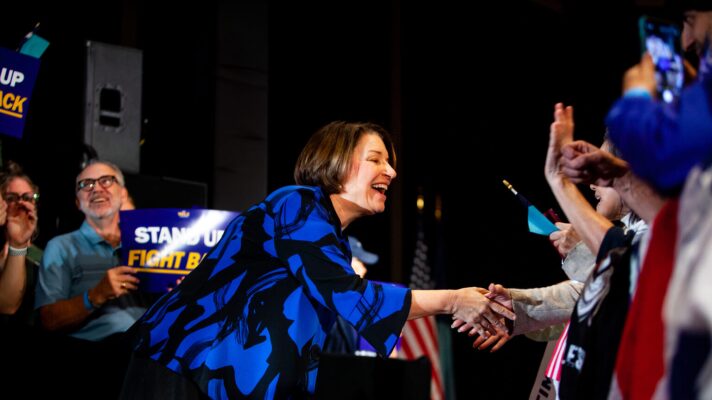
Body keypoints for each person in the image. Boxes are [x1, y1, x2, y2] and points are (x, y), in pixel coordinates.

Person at [120, 121, 516, 399]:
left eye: (390, 162)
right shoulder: (296, 203)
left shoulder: (333, 242)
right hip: (183, 369)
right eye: (376, 159)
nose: (391, 172)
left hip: (225, 383)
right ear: (337, 162)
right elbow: (351, 295)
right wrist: (452, 300)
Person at [0, 162, 40, 321]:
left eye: (27, 198)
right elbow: (5, 306)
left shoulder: (45, 256)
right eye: (12, 198)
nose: (21, 203)